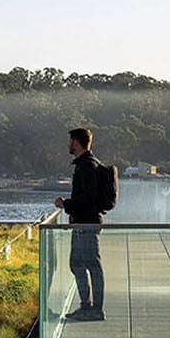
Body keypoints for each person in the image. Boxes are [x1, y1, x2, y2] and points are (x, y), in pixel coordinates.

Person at [53, 127, 106, 321]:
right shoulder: (86, 164)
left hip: (86, 224)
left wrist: (65, 203)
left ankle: (94, 309)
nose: (68, 145)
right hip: (84, 223)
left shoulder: (87, 166)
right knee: (80, 264)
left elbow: (89, 196)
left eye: (70, 141)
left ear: (76, 143)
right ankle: (88, 307)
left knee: (89, 265)